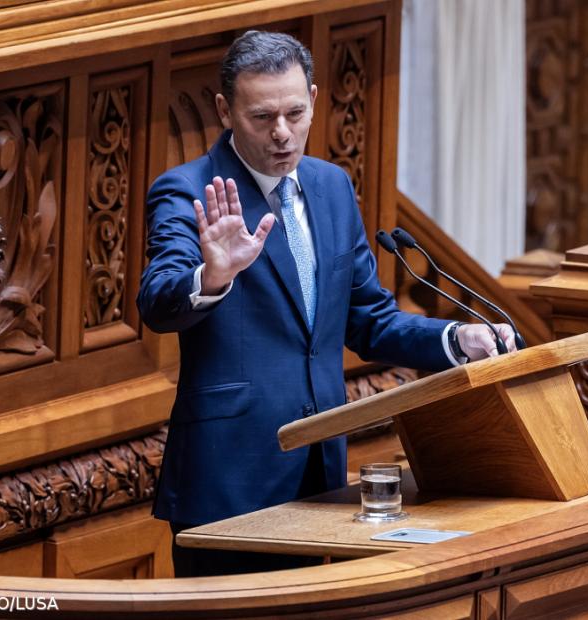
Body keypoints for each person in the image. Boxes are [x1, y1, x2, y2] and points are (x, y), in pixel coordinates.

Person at [137, 30, 516, 577]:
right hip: (228, 478)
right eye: (262, 117)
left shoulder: (331, 186)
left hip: (320, 471)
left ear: (314, 99)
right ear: (225, 110)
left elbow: (369, 320)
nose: (282, 133)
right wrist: (211, 276)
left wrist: (455, 338)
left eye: (295, 112)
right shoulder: (190, 190)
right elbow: (157, 301)